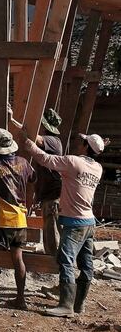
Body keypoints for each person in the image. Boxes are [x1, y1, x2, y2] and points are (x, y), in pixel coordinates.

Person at [24, 130, 107, 317]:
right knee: (86, 264)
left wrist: (27, 143)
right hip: (89, 222)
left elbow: (45, 159)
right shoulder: (98, 169)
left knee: (66, 260)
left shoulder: (73, 162)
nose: (79, 143)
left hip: (74, 222)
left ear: (86, 147)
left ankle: (66, 305)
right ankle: (79, 305)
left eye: (82, 141)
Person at [0, 128, 36, 311]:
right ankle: (21, 299)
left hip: (2, 219)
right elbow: (33, 177)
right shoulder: (24, 162)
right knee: (17, 258)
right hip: (21, 219)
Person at [9, 106, 63, 255]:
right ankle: (55, 256)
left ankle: (53, 259)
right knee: (51, 226)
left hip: (53, 193)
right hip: (49, 192)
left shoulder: (53, 141)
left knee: (52, 227)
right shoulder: (52, 140)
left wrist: (12, 119)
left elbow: (31, 139)